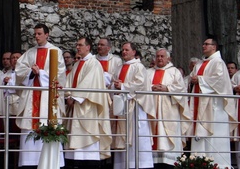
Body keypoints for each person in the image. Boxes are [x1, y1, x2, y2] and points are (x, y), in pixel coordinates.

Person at [14, 23, 65, 168]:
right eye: (35, 34)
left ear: (47, 35)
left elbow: (59, 74)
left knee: (46, 124)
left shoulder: (55, 51)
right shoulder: (30, 53)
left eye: (39, 34)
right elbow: (19, 70)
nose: (36, 37)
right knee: (29, 132)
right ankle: (29, 164)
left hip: (47, 98)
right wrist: (31, 72)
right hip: (31, 96)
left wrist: (40, 73)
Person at [65, 37, 112, 169]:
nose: (77, 47)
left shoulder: (94, 63)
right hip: (74, 107)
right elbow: (69, 82)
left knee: (87, 139)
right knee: (74, 149)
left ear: (88, 47)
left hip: (87, 108)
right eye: (77, 45)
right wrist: (68, 95)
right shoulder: (77, 64)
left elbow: (89, 84)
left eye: (80, 45)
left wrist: (73, 98)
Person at [189, 37, 236, 168]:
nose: (203, 46)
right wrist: (191, 80)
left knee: (214, 137)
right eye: (203, 44)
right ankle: (198, 163)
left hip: (214, 107)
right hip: (199, 103)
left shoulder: (218, 63)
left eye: (206, 44)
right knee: (200, 135)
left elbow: (220, 81)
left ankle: (218, 164)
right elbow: (192, 78)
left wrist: (200, 80)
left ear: (214, 47)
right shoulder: (199, 63)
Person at [112, 42, 155, 169]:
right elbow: (114, 83)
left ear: (134, 52)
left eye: (127, 49)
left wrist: (123, 86)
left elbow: (140, 85)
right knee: (122, 135)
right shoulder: (119, 67)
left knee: (137, 136)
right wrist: (115, 85)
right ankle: (122, 165)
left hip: (135, 106)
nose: (124, 52)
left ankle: (139, 165)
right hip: (122, 106)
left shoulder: (139, 67)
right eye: (123, 50)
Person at [147, 48, 190, 168]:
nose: (159, 58)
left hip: (169, 113)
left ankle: (170, 161)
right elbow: (143, 87)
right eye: (157, 56)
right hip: (152, 112)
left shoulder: (174, 72)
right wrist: (152, 87)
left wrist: (167, 89)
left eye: (162, 56)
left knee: (167, 138)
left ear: (168, 58)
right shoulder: (148, 72)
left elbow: (181, 89)